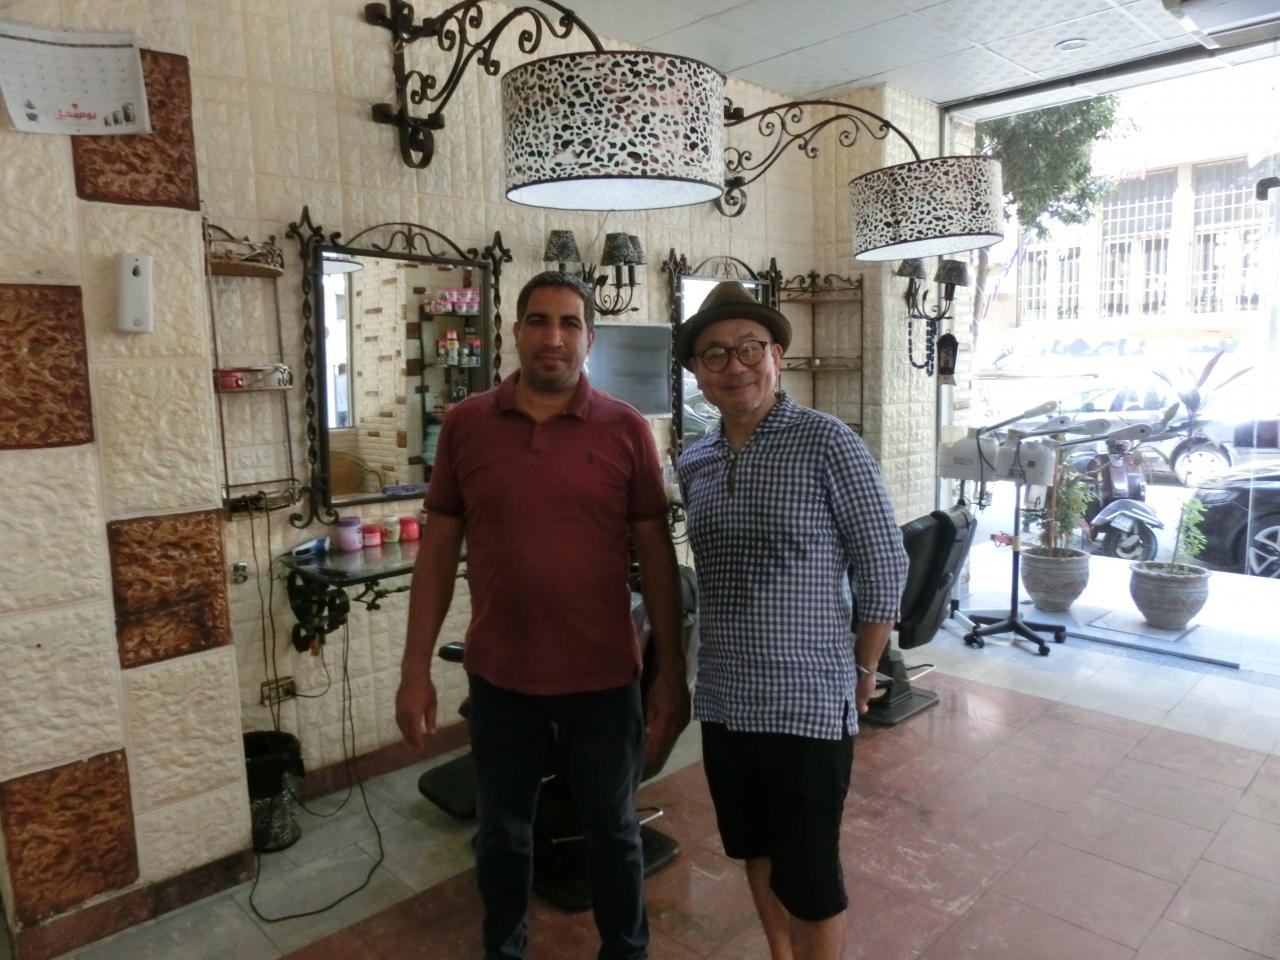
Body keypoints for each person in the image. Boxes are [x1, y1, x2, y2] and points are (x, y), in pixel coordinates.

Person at [395, 271, 690, 960]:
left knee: (613, 833)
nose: (552, 337)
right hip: (502, 677)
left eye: (568, 323)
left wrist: (671, 676)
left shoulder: (625, 430)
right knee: (503, 835)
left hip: (603, 677)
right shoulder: (467, 426)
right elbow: (436, 555)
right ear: (516, 330)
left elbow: (657, 561)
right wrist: (415, 670)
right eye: (538, 321)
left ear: (589, 339)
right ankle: (504, 951)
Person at [674, 281, 909, 960]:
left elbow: (884, 563)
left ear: (776, 355)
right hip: (725, 697)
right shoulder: (695, 458)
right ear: (697, 373)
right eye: (715, 354)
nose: (735, 366)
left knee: (810, 875)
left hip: (806, 698)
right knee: (754, 847)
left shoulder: (827, 442)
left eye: (749, 347)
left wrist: (865, 666)